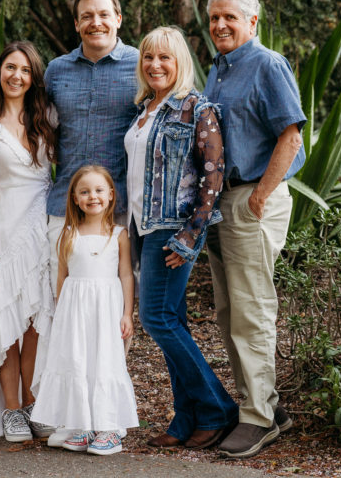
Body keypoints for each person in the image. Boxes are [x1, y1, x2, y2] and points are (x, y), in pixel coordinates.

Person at [203, 0, 306, 458]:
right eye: (213, 19)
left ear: (252, 23)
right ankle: (265, 403)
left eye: (229, 17)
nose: (220, 26)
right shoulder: (217, 71)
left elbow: (292, 135)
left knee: (251, 311)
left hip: (250, 199)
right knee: (229, 313)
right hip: (221, 203)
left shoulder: (268, 64)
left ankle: (258, 418)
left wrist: (259, 197)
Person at [125, 26, 237, 450]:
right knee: (173, 322)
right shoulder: (142, 110)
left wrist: (191, 235)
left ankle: (216, 409)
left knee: (157, 319)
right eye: (149, 57)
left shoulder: (196, 109)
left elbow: (214, 175)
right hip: (140, 226)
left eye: (165, 58)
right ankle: (185, 420)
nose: (155, 65)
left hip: (172, 230)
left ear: (180, 63)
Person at [0, 41, 57, 441]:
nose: (16, 76)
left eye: (24, 70)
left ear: (34, 77)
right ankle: (11, 410)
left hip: (42, 225)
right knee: (7, 321)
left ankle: (34, 401)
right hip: (3, 226)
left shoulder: (47, 117)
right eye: (9, 68)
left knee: (35, 319)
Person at [30, 165, 138, 456]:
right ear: (75, 198)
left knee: (104, 360)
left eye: (99, 190)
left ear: (111, 195)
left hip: (106, 308)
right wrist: (61, 311)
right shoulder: (67, 233)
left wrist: (127, 313)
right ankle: (83, 424)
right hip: (75, 310)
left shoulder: (118, 234)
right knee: (79, 360)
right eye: (85, 191)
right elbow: (62, 277)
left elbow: (126, 275)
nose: (93, 196)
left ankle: (108, 428)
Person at [44, 0, 139, 293]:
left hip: (119, 205)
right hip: (65, 204)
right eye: (87, 16)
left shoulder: (141, 66)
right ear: (76, 24)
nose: (95, 22)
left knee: (114, 296)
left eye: (103, 14)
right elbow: (41, 131)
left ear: (118, 19)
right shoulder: (57, 71)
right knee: (60, 295)